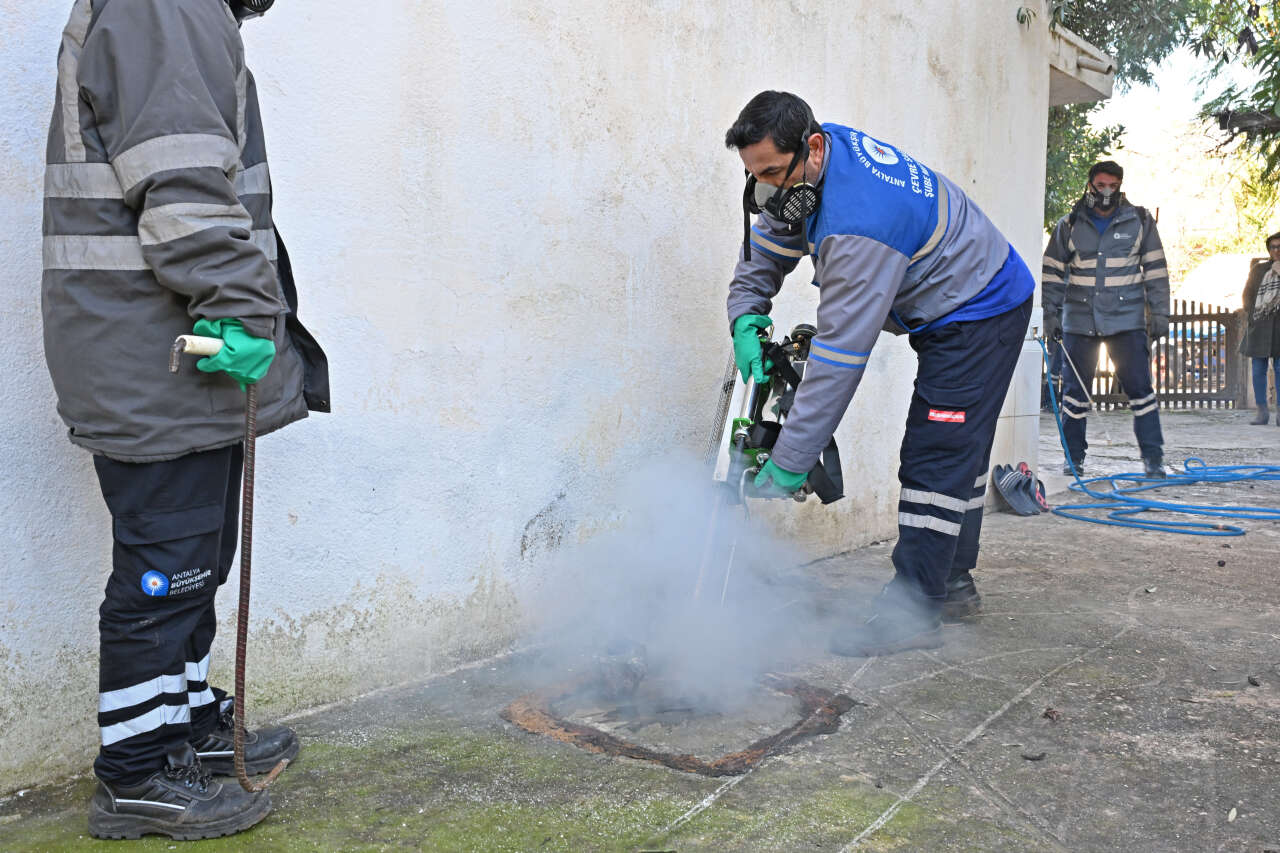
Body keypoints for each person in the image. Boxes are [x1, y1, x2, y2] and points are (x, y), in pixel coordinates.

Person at [41, 0, 328, 840]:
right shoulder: (163, 5)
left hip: (170, 355)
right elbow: (185, 194)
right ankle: (134, 773)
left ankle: (185, 728)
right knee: (166, 571)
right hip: (167, 352)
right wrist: (243, 307)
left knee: (196, 558)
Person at [724, 91, 1034, 657]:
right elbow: (765, 249)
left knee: (936, 452)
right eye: (754, 174)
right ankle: (952, 584)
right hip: (954, 300)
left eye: (771, 172)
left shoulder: (859, 225)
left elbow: (839, 360)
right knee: (955, 449)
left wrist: (791, 463)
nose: (765, 188)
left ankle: (914, 610)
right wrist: (746, 311)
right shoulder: (812, 165)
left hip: (981, 307)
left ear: (811, 149)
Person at [1041, 161, 1171, 477]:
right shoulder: (1069, 224)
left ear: (1120, 185)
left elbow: (1156, 271)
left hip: (1126, 320)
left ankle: (1153, 460)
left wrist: (1160, 313)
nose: (1106, 191)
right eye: (1100, 185)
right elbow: (1052, 272)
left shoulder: (1140, 221)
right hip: (1079, 321)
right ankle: (1074, 459)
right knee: (1073, 395)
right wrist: (1050, 314)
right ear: (1090, 185)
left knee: (1141, 390)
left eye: (1113, 185)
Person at [1240, 232, 1280, 425]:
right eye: (1273, 247)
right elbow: (1248, 295)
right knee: (1258, 369)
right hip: (1259, 324)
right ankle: (1262, 411)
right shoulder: (1258, 270)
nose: (1277, 250)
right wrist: (1252, 316)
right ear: (1268, 249)